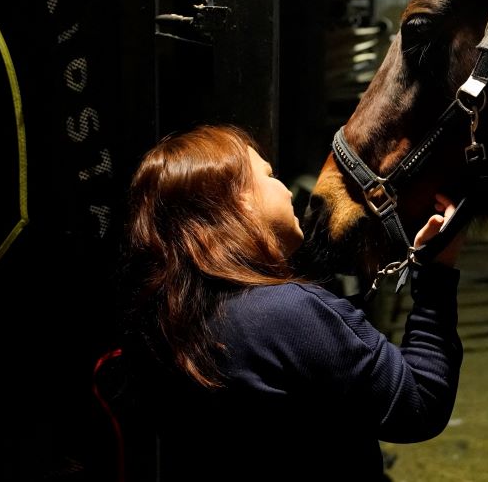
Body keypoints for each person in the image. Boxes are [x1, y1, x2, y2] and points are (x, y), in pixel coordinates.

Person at [119, 124, 463, 480]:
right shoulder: (285, 313)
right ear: (238, 200)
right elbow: (419, 401)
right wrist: (436, 273)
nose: (285, 189)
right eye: (269, 175)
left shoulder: (157, 327)